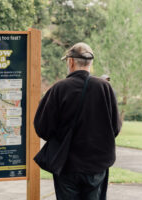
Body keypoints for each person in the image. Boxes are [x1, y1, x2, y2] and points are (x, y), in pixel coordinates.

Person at [34, 42, 122, 200]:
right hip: (97, 165)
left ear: (71, 61)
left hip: (66, 164)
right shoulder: (105, 88)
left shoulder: (58, 89)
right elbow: (115, 128)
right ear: (91, 63)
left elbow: (42, 128)